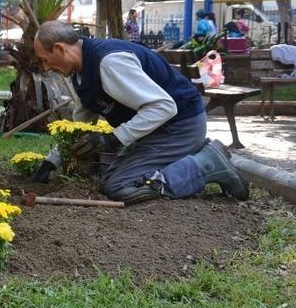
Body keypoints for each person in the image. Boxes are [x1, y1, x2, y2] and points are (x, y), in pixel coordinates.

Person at [29, 21, 249, 204]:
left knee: (119, 185)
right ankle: (190, 156)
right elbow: (80, 123)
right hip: (157, 130)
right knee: (109, 176)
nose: (46, 68)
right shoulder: (80, 73)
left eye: (44, 60)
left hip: (180, 125)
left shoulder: (109, 63)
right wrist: (52, 161)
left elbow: (164, 106)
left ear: (60, 49)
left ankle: (207, 163)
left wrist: (113, 139)